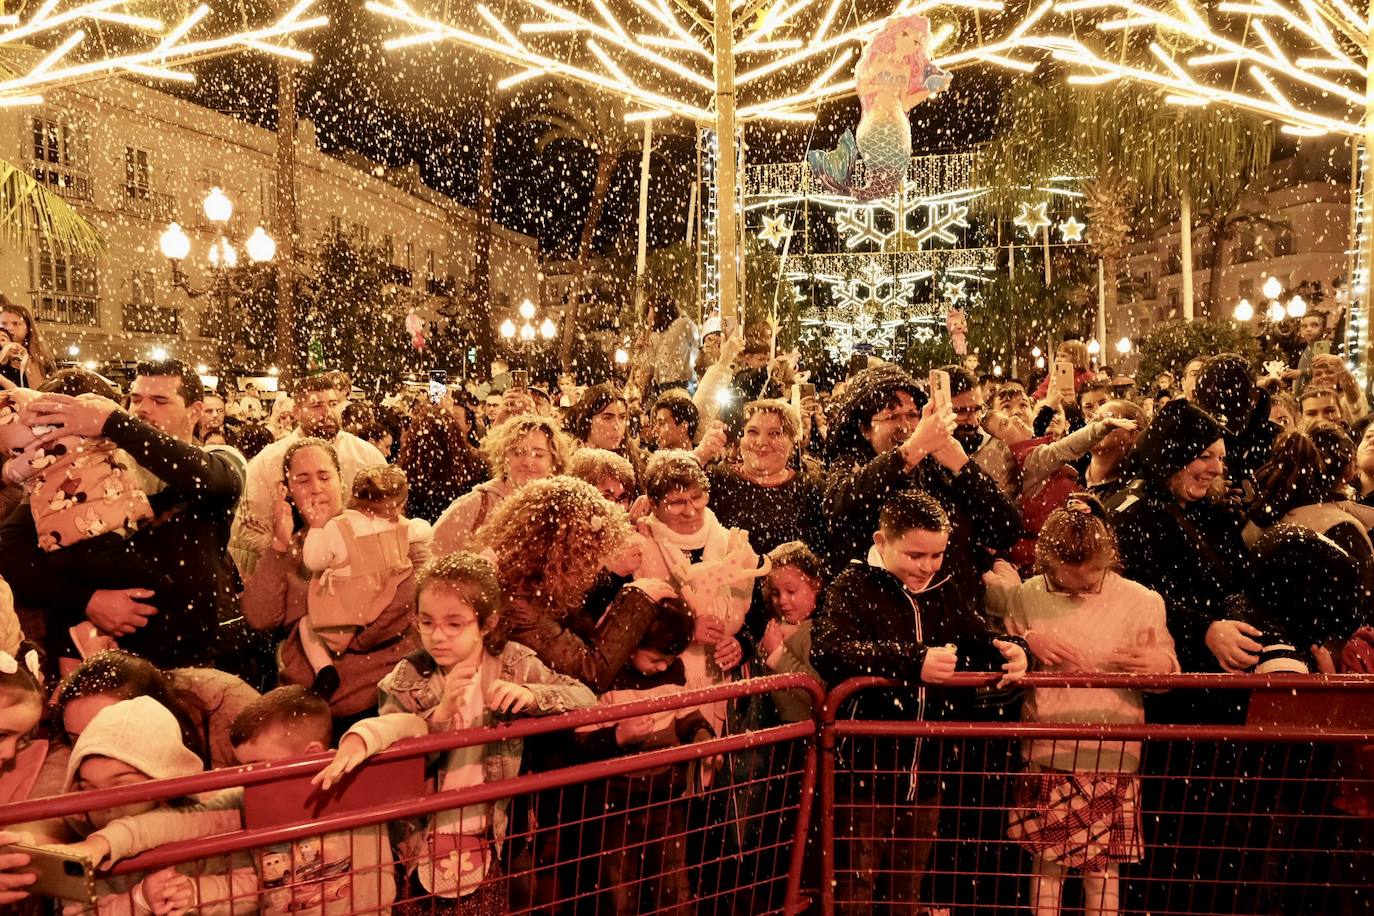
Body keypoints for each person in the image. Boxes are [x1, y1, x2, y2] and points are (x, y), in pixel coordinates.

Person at [312, 552, 596, 914]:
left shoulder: (513, 664)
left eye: (454, 624)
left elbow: (586, 699)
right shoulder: (407, 678)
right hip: (421, 839)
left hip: (491, 836)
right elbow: (401, 766)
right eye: (426, 622)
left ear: (487, 623)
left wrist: (532, 696)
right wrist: (440, 716)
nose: (437, 636)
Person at [810, 490, 1028, 915]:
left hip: (927, 773)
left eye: (937, 555)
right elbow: (830, 649)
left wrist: (1017, 650)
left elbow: (982, 640)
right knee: (854, 888)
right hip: (865, 771)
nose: (927, 567)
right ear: (880, 541)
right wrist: (913, 661)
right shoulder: (853, 585)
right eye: (915, 555)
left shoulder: (944, 591)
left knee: (906, 889)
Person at [985, 497, 1178, 916]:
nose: (1075, 591)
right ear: (1046, 564)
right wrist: (1028, 638)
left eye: (1088, 581)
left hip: (1114, 753)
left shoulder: (1143, 601)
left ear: (1107, 560)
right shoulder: (1027, 595)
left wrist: (1158, 667)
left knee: (1103, 870)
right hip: (1048, 749)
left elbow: (1169, 670)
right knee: (1046, 866)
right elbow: (1000, 643)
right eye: (1065, 582)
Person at [0, 359, 242, 669]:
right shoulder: (93, 464)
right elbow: (10, 549)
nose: (142, 409)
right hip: (108, 661)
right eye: (135, 399)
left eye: (159, 400)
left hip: (188, 660)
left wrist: (112, 422)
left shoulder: (216, 459)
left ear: (195, 411)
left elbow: (216, 481)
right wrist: (88, 600)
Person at [242, 439, 421, 730]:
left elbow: (410, 598)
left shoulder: (385, 529)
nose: (315, 488)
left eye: (324, 477)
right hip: (308, 699)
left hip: (378, 695)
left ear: (341, 481)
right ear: (287, 490)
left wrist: (340, 632)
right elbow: (261, 617)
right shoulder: (293, 546)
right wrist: (278, 544)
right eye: (302, 480)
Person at [824, 364, 1022, 594]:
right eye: (892, 417)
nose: (906, 427)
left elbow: (1005, 530)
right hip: (882, 608)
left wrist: (964, 468)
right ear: (865, 429)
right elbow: (837, 506)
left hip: (950, 607)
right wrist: (909, 452)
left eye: (912, 415)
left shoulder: (938, 463)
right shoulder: (852, 465)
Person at [573, 597, 708, 915]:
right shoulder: (605, 679)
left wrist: (701, 733)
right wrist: (618, 736)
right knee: (618, 892)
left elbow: (685, 713)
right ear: (630, 643)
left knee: (672, 886)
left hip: (665, 798)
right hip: (616, 804)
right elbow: (582, 742)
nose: (663, 667)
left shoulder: (674, 670)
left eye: (670, 659)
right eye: (656, 659)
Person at [1110, 400, 1255, 678]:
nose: (1217, 469)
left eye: (1221, 458)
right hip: (1167, 675)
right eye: (1204, 456)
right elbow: (1131, 594)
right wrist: (1205, 630)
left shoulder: (1211, 509)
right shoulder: (1132, 514)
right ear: (1172, 455)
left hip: (1220, 669)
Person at [633, 452, 770, 733]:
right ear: (654, 504)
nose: (690, 511)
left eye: (697, 498)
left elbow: (757, 612)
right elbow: (627, 627)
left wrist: (740, 644)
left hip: (722, 683)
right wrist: (683, 631)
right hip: (661, 692)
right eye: (676, 502)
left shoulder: (732, 542)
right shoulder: (639, 546)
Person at [232, 374, 386, 577]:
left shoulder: (365, 455)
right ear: (296, 411)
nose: (328, 412)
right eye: (317, 406)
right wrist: (291, 553)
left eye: (333, 403)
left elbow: (389, 508)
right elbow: (248, 526)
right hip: (295, 578)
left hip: (359, 572)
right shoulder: (270, 461)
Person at [299, 466, 434, 694]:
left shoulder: (338, 527)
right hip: (377, 603)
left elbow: (314, 561)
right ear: (397, 504)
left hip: (341, 611)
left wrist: (315, 527)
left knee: (306, 625)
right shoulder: (401, 527)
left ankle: (324, 669)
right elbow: (425, 529)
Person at [0, 375, 153, 555]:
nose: (143, 409)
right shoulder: (117, 452)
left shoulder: (41, 460)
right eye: (136, 400)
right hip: (118, 538)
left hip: (69, 546)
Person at [55, 649, 260, 770]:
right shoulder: (69, 760)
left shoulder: (225, 706)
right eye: (76, 740)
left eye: (110, 733)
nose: (91, 750)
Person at [431, 414, 570, 556]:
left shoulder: (565, 509)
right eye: (517, 453)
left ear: (554, 461)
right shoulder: (475, 505)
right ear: (504, 458)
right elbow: (431, 561)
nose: (528, 462)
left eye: (538, 455)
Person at [708, 399, 827, 557]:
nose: (761, 442)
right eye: (752, 432)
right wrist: (701, 455)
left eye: (775, 433)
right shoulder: (716, 480)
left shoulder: (811, 489)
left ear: (791, 442)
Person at [756, 541, 825, 722]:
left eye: (791, 590)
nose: (782, 600)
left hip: (808, 737)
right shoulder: (775, 627)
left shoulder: (820, 632)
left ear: (816, 585)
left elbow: (817, 692)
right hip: (778, 735)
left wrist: (778, 654)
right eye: (775, 593)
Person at [397, 405, 488, 524]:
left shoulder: (409, 469)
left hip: (423, 533)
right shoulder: (476, 465)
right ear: (456, 434)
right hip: (464, 529)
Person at [646, 296, 699, 398]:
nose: (648, 316)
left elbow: (696, 346)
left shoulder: (682, 323)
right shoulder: (655, 334)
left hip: (683, 384)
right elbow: (651, 366)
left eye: (650, 310)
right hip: (662, 387)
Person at [0, 299, 53, 390]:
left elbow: (48, 389)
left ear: (28, 328)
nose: (9, 328)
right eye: (3, 323)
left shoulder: (40, 357)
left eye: (16, 324)